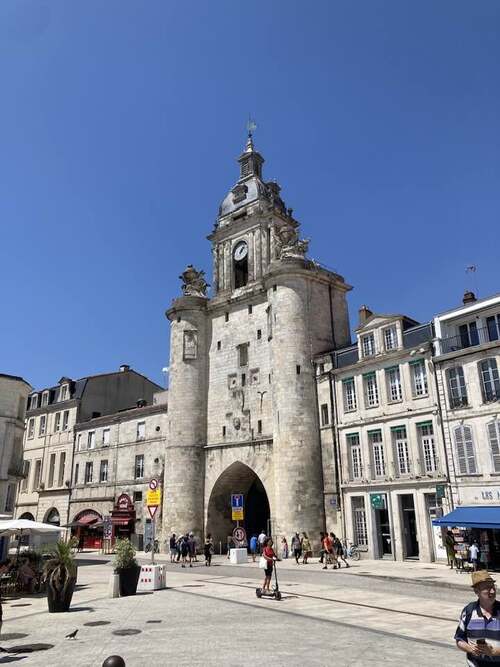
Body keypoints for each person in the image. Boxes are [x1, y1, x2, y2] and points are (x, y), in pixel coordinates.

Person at [455, 570, 500, 665]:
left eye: (493, 587)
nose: (492, 591)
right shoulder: (469, 611)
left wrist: (494, 652)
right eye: (487, 588)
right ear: (476, 591)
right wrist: (469, 648)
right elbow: (459, 639)